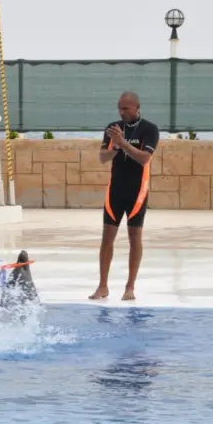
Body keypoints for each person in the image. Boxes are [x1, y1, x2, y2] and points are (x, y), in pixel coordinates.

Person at [89, 91, 160, 302]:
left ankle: (130, 287)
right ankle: (103, 286)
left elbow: (144, 158)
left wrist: (124, 143)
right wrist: (115, 145)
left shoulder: (149, 129)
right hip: (116, 190)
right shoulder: (113, 128)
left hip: (137, 191)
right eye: (119, 108)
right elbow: (103, 157)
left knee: (134, 237)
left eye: (126, 108)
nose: (121, 112)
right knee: (107, 238)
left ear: (137, 107)